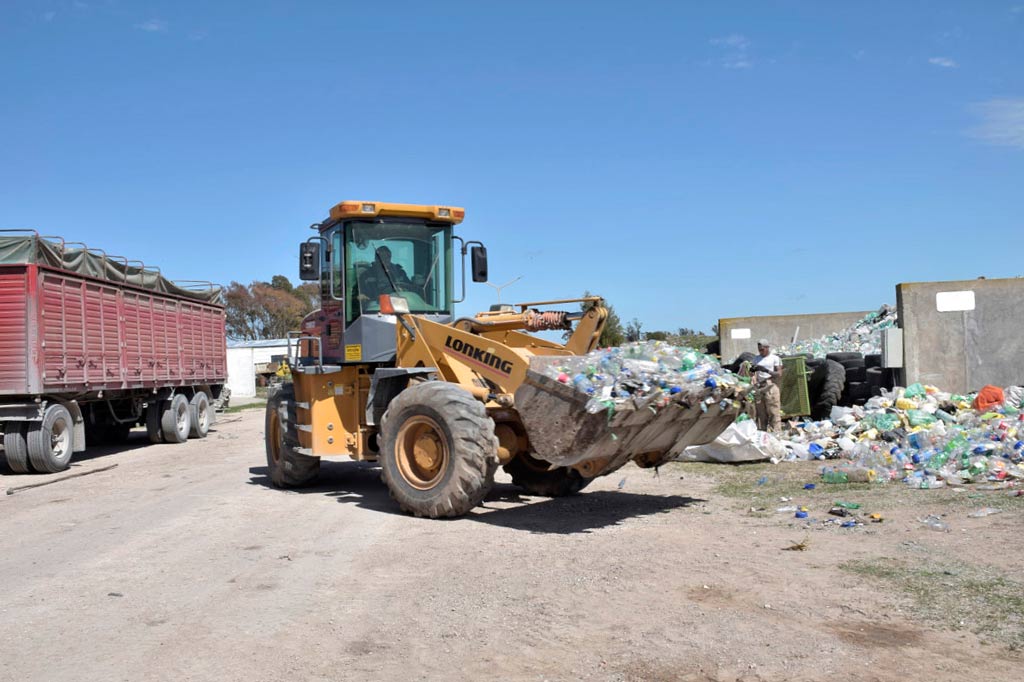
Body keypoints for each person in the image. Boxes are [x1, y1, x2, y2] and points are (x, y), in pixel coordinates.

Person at [751, 338, 783, 432]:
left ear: (767, 347)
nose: (761, 351)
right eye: (759, 350)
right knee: (761, 412)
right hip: (759, 385)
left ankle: (776, 432)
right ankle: (762, 433)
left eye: (762, 349)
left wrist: (765, 370)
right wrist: (752, 371)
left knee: (773, 410)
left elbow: (779, 373)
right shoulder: (756, 359)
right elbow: (752, 374)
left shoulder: (774, 358)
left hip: (770, 384)